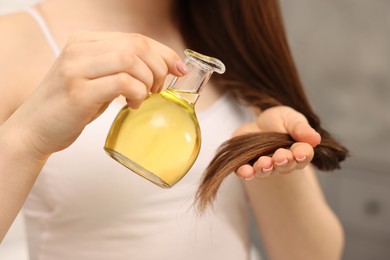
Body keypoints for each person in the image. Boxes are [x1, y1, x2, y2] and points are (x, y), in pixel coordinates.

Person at [0, 0, 346, 259]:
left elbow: (313, 255)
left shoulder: (236, 40)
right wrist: (29, 139)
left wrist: (272, 164)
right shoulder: (14, 41)